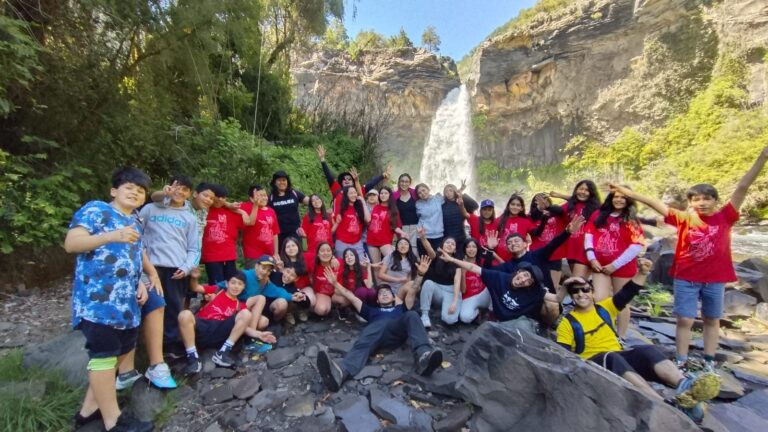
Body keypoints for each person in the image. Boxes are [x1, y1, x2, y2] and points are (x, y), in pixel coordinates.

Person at [608, 145, 768, 372]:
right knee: (685, 319)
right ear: (690, 203)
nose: (701, 203)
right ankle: (682, 359)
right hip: (686, 277)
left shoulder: (726, 217)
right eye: (696, 199)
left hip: (715, 279)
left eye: (706, 198)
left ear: (715, 200)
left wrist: (762, 157)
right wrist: (629, 193)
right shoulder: (684, 219)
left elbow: (743, 186)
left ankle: (709, 361)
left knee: (712, 319)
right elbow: (654, 203)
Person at [556, 259, 721, 423]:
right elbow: (561, 354)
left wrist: (642, 273)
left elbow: (628, 291)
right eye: (575, 292)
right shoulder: (568, 322)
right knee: (612, 357)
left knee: (646, 350)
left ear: (592, 292)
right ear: (572, 297)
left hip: (618, 356)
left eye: (584, 289)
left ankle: (685, 385)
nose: (580, 294)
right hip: (594, 364)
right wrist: (565, 286)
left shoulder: (605, 307)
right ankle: (663, 403)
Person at [65, 166, 154, 432]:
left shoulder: (136, 220)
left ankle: (88, 411)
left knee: (118, 353)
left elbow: (132, 257)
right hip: (97, 302)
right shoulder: (97, 210)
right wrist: (112, 235)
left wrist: (141, 282)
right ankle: (113, 420)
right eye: (129, 187)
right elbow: (72, 243)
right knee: (103, 355)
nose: (135, 193)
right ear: (114, 190)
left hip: (126, 304)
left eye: (140, 191)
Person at [316, 273, 443, 392]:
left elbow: (413, 289)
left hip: (396, 331)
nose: (384, 294)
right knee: (366, 339)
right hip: (375, 333)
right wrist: (335, 283)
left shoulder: (401, 308)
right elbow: (351, 297)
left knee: (412, 314)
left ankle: (423, 357)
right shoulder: (370, 311)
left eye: (388, 292)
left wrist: (420, 275)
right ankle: (341, 373)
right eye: (381, 293)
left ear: (394, 297)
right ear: (377, 300)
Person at [139, 175, 200, 349]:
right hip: (151, 268)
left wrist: (187, 267)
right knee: (151, 306)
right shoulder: (150, 209)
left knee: (174, 308)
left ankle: (170, 348)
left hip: (176, 269)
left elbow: (194, 248)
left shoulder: (189, 218)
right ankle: (148, 347)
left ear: (189, 194)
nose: (180, 192)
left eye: (185, 189)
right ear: (169, 187)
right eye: (177, 187)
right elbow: (137, 235)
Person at [180, 271, 276, 375]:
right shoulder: (217, 291)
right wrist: (194, 278)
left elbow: (242, 327)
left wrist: (259, 334)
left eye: (240, 284)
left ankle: (223, 352)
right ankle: (193, 358)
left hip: (220, 332)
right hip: (202, 326)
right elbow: (195, 288)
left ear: (243, 287)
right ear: (227, 283)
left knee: (246, 314)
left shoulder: (239, 305)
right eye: (233, 283)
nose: (236, 287)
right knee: (184, 314)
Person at [439, 253, 559, 331]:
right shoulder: (499, 277)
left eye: (529, 281)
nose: (523, 280)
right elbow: (473, 268)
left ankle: (545, 329)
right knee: (468, 318)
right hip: (499, 319)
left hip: (518, 323)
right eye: (525, 275)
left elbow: (557, 299)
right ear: (519, 271)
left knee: (552, 306)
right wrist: (452, 259)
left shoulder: (532, 291)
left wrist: (569, 286)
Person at [585, 188, 645, 339]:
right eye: (616, 197)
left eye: (623, 198)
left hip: (622, 266)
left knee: (622, 301)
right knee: (599, 298)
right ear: (611, 198)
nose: (619, 200)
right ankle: (603, 331)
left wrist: (615, 265)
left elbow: (637, 245)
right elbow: (588, 236)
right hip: (599, 264)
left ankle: (621, 336)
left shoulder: (631, 219)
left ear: (629, 200)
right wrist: (592, 258)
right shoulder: (599, 215)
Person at [489, 215, 586, 294]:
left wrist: (567, 232)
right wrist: (490, 249)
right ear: (507, 248)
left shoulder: (538, 255)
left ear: (525, 244)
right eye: (509, 243)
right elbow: (488, 270)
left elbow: (552, 245)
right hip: (525, 305)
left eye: (516, 241)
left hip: (547, 300)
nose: (513, 244)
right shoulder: (507, 266)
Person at [222, 255, 306, 326]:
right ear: (256, 266)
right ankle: (250, 333)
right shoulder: (244, 275)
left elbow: (277, 291)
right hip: (233, 307)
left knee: (264, 322)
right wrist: (211, 292)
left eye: (269, 270)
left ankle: (247, 331)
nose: (265, 272)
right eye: (263, 268)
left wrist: (292, 297)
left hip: (247, 310)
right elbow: (224, 284)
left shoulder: (264, 282)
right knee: (260, 298)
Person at [549, 180, 601, 278]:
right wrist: (548, 207)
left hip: (587, 249)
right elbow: (559, 211)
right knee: (578, 281)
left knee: (579, 281)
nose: (583, 192)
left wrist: (561, 195)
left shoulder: (596, 208)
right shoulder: (570, 205)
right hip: (572, 249)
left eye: (587, 190)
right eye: (580, 189)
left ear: (591, 193)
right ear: (576, 190)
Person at [316, 144, 390, 206]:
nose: (346, 180)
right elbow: (329, 176)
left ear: (353, 182)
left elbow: (370, 183)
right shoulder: (336, 188)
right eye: (344, 179)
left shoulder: (357, 191)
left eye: (349, 179)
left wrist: (382, 175)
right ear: (341, 182)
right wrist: (322, 160)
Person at [201, 184, 246, 284]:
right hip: (211, 256)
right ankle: (211, 300)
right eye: (217, 196)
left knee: (231, 284)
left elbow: (248, 224)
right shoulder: (204, 210)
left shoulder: (231, 211)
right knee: (216, 285)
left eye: (223, 197)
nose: (220, 199)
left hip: (229, 255)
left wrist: (243, 212)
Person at [417, 229, 461, 327]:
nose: (449, 245)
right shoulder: (436, 256)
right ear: (442, 246)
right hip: (437, 291)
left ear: (455, 250)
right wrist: (423, 238)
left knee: (450, 320)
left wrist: (454, 301)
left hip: (450, 291)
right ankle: (424, 315)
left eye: (452, 244)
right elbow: (430, 250)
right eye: (447, 243)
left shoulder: (457, 262)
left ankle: (446, 307)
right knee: (428, 283)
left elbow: (457, 282)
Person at [529, 193, 568, 300]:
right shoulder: (531, 217)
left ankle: (556, 310)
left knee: (554, 286)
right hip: (538, 255)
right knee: (538, 285)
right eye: (538, 201)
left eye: (545, 200)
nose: (542, 202)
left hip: (555, 254)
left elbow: (561, 210)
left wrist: (547, 207)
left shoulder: (557, 214)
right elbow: (535, 233)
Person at [241, 184, 280, 269]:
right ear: (251, 198)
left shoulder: (271, 211)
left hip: (269, 253)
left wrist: (276, 252)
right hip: (253, 254)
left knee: (268, 277)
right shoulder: (246, 207)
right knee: (254, 277)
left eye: (265, 195)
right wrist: (255, 205)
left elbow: (275, 233)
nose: (264, 198)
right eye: (260, 196)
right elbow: (251, 222)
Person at [457, 239, 494, 324]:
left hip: (484, 294)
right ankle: (478, 312)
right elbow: (463, 290)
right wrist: (463, 273)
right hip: (469, 297)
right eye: (468, 247)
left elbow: (494, 274)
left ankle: (492, 313)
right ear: (464, 249)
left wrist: (490, 249)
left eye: (474, 246)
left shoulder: (482, 261)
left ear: (477, 249)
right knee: (465, 318)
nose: (471, 249)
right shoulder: (460, 264)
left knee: (495, 282)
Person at [377, 238, 420, 309]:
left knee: (415, 285)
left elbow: (408, 278)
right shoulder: (390, 257)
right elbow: (380, 275)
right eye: (400, 244)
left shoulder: (412, 260)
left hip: (400, 289)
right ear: (397, 247)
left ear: (409, 247)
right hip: (388, 288)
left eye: (406, 244)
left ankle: (405, 306)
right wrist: (398, 280)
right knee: (400, 306)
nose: (403, 246)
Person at [367, 185, 406, 264]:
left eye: (386, 193)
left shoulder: (393, 210)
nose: (383, 195)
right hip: (371, 240)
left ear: (389, 195)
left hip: (385, 241)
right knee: (376, 266)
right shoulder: (375, 207)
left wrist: (402, 233)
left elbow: (395, 226)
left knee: (394, 262)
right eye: (381, 193)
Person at [268, 170, 309, 245]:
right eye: (279, 180)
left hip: (295, 232)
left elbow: (311, 202)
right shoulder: (271, 198)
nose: (282, 182)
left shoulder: (294, 193)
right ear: (274, 182)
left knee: (296, 253)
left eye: (284, 180)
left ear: (287, 181)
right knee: (282, 255)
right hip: (279, 233)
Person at [332, 185, 371, 259]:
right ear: (346, 195)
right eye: (351, 193)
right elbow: (337, 197)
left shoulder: (359, 207)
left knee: (362, 265)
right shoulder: (340, 208)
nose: (354, 195)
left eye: (355, 192)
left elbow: (368, 220)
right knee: (343, 266)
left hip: (357, 243)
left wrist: (362, 201)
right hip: (342, 243)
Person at [495, 194, 535, 262]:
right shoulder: (499, 220)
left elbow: (537, 234)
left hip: (519, 259)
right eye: (513, 204)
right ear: (508, 206)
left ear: (522, 208)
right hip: (500, 259)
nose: (515, 207)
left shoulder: (526, 222)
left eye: (518, 205)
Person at [415, 183, 444, 257]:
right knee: (425, 262)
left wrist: (461, 189)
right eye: (419, 193)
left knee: (439, 262)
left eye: (423, 190)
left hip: (438, 236)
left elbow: (451, 197)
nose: (422, 193)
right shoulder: (417, 204)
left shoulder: (438, 199)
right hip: (423, 236)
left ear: (428, 189)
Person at [393, 173, 420, 256]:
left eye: (406, 181)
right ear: (399, 182)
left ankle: (416, 268)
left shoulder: (415, 193)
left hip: (415, 227)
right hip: (402, 228)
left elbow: (425, 197)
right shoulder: (394, 196)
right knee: (403, 251)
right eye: (402, 181)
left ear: (410, 183)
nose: (404, 183)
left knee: (415, 252)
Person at [441, 183, 469, 249]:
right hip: (447, 238)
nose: (448, 193)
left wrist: (461, 193)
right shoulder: (442, 205)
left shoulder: (461, 202)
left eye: (451, 190)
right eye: (446, 191)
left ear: (455, 191)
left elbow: (475, 205)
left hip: (460, 237)